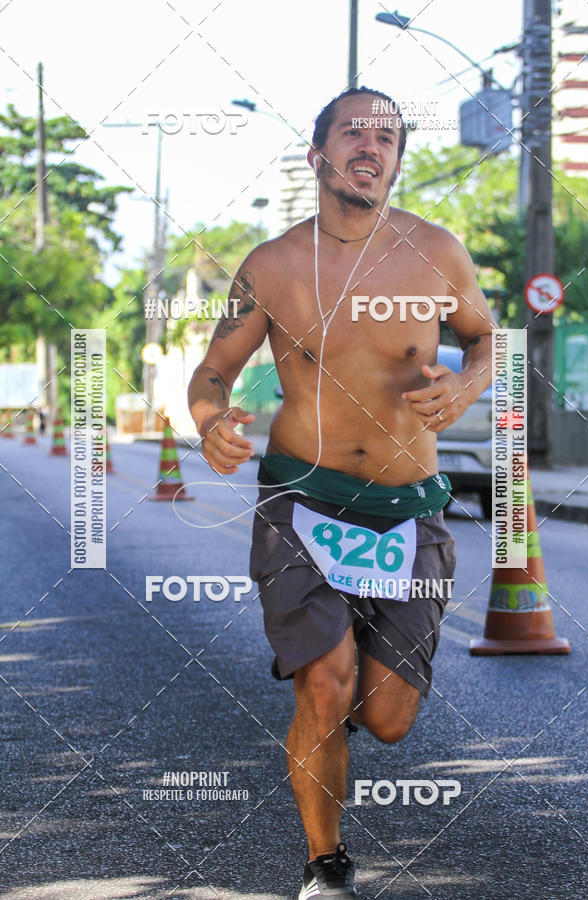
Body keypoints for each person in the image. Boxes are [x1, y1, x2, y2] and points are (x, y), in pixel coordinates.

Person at [188, 86, 496, 899]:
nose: (372, 145)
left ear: (397, 158)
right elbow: (213, 371)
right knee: (325, 688)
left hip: (408, 509)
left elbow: (487, 339)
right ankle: (325, 864)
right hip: (305, 502)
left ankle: (337, 694)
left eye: (388, 136)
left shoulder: (438, 252)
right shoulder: (276, 264)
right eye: (353, 131)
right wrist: (211, 417)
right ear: (318, 153)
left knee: (387, 718)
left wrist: (468, 389)